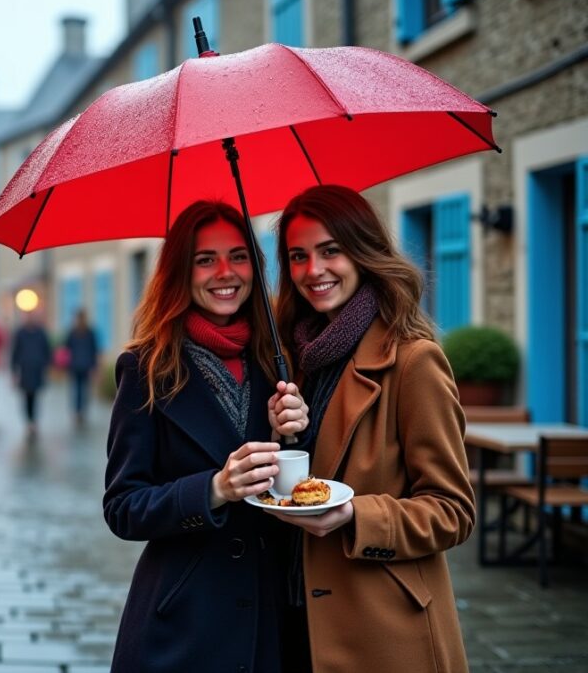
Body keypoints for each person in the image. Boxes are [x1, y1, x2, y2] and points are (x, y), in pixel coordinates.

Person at [271, 185, 475, 672]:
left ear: (363, 252)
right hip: (295, 619)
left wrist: (354, 517)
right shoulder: (293, 361)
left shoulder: (413, 362)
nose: (313, 271)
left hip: (383, 628)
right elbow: (304, 484)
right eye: (298, 256)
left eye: (330, 251)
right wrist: (284, 437)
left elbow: (453, 511)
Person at [103, 201, 308, 673]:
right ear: (181, 271)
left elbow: (301, 493)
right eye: (204, 259)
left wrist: (295, 437)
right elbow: (122, 507)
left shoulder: (281, 359)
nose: (224, 272)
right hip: (184, 622)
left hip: (271, 614)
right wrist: (213, 489)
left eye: (238, 256)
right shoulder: (146, 369)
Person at [10, 313, 52, 435]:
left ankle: (33, 420)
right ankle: (29, 420)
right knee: (27, 396)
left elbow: (46, 349)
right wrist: (13, 370)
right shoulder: (20, 333)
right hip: (25, 369)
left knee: (35, 396)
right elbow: (15, 351)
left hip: (37, 369)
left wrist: (45, 363)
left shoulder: (41, 333)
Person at [64, 309, 100, 425]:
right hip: (75, 366)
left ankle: (81, 411)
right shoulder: (73, 332)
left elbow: (94, 350)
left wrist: (95, 366)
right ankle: (78, 411)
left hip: (85, 366)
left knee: (83, 390)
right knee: (77, 390)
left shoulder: (89, 333)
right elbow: (66, 349)